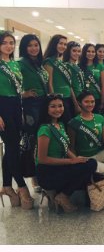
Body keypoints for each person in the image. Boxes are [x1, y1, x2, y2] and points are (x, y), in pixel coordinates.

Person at [36, 93, 97, 213]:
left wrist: (77, 160)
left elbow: (66, 149)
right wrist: (72, 161)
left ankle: (59, 194)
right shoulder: (45, 129)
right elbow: (42, 159)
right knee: (86, 168)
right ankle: (62, 196)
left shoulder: (61, 124)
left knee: (90, 163)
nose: (58, 109)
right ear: (46, 109)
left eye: (60, 106)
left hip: (60, 166)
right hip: (47, 172)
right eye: (53, 106)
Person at [0, 31, 33, 209]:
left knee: (12, 148)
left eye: (11, 42)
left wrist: (23, 98)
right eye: (4, 43)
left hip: (15, 106)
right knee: (12, 146)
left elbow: (16, 88)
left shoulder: (14, 64)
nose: (9, 46)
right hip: (2, 106)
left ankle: (6, 185)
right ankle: (21, 186)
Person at [18, 34, 49, 191]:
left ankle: (43, 175)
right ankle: (34, 179)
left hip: (44, 104)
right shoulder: (20, 64)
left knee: (43, 140)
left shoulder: (39, 64)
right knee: (32, 143)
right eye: (30, 45)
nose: (33, 48)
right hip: (31, 107)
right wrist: (24, 94)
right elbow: (10, 87)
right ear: (24, 47)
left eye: (36, 45)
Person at [67, 91, 104, 176]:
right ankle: (95, 170)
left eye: (92, 102)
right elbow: (71, 147)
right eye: (86, 102)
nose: (90, 104)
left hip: (98, 154)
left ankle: (95, 171)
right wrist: (75, 161)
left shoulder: (100, 118)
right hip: (84, 159)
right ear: (79, 103)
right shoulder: (74, 122)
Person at [43, 34, 74, 123]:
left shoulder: (61, 61)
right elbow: (49, 83)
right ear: (54, 44)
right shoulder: (49, 61)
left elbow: (68, 83)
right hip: (59, 100)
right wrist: (54, 101)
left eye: (65, 44)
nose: (63, 46)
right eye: (60, 43)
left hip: (68, 98)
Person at [79, 43, 104, 113]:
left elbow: (103, 86)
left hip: (97, 98)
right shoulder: (79, 66)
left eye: (93, 52)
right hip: (83, 99)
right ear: (84, 52)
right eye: (88, 51)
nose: (91, 53)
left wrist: (102, 102)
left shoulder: (100, 66)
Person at [63, 41, 85, 114]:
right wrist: (76, 104)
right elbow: (69, 86)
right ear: (68, 51)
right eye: (74, 51)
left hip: (81, 97)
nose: (77, 53)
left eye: (79, 51)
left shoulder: (76, 66)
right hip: (73, 99)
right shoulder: (66, 66)